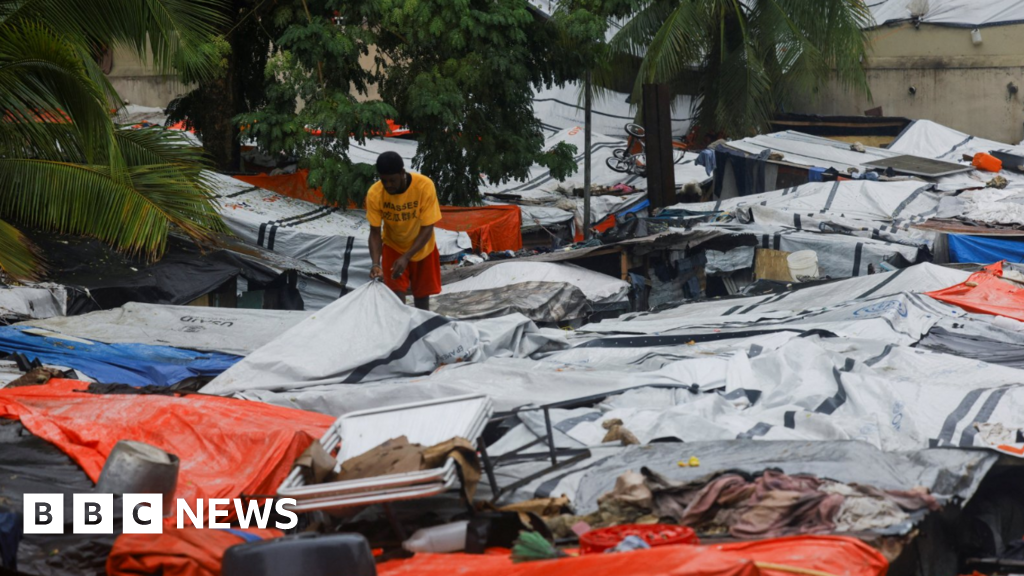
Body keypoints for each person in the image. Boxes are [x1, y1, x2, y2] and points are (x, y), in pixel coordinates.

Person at [366, 151, 442, 310]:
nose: (388, 185)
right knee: (395, 300)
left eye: (392, 180)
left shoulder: (424, 186)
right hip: (393, 247)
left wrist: (407, 256)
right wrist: (375, 263)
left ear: (402, 173)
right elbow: (374, 232)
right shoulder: (374, 193)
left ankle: (420, 332)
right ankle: (400, 331)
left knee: (421, 298)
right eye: (383, 180)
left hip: (423, 248)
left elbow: (428, 227)